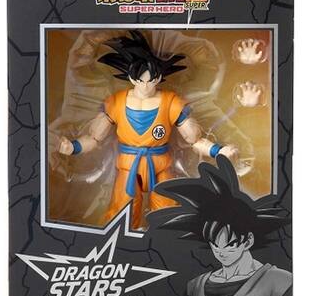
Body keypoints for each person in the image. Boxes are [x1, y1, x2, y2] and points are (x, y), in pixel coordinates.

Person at [56, 30, 238, 229]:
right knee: (121, 215)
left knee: (169, 215)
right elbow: (94, 138)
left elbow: (194, 139)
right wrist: (73, 147)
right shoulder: (116, 102)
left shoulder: (170, 101)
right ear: (132, 78)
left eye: (151, 80)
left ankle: (165, 244)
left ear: (158, 78)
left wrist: (218, 151)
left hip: (161, 166)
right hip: (128, 167)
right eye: (140, 80)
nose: (145, 86)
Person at [155, 155, 292, 296]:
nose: (221, 252)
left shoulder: (276, 281)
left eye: (230, 245)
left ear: (248, 240)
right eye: (215, 245)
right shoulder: (197, 286)